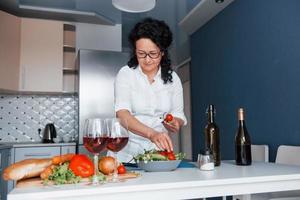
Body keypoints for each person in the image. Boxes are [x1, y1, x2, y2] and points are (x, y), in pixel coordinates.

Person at [111, 18, 187, 162]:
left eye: (153, 53)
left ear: (163, 52)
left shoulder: (173, 79)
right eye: (141, 53)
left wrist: (175, 123)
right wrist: (152, 134)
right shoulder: (126, 74)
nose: (147, 60)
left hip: (158, 155)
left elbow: (178, 114)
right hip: (126, 155)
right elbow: (122, 114)